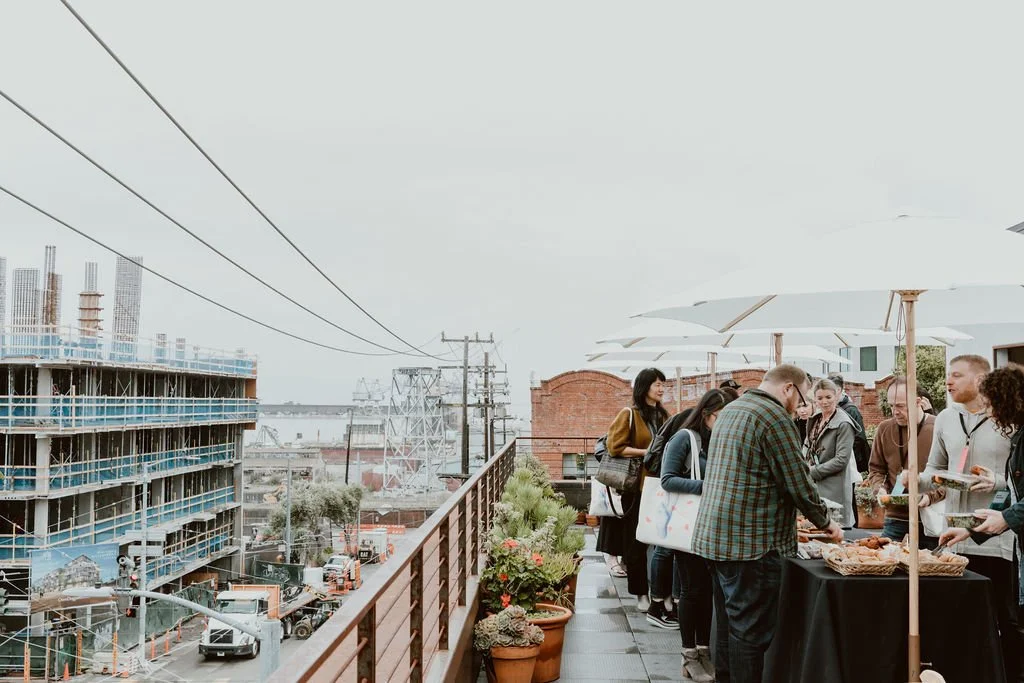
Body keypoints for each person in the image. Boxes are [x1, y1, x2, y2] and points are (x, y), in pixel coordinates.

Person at [693, 364, 843, 683]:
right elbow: (798, 481)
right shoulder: (773, 416)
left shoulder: (733, 408)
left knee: (730, 626)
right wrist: (827, 523)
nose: (801, 408)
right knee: (749, 634)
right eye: (802, 399)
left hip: (714, 537)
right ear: (788, 388)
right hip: (750, 544)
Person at [916, 355, 1017, 682]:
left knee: (1005, 619)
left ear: (980, 380)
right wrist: (918, 484)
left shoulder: (1009, 417)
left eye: (956, 375)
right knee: (956, 617)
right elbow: (935, 470)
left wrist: (997, 482)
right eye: (948, 375)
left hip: (1000, 532)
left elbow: (1018, 479)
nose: (948, 381)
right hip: (956, 531)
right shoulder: (945, 418)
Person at [939, 366, 1024, 677]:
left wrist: (1004, 517)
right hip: (1007, 538)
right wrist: (970, 530)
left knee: (1011, 618)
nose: (989, 413)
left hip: (1010, 546)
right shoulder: (1018, 438)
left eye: (991, 405)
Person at [660, 388, 735, 682]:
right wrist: (707, 486)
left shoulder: (718, 439)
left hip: (710, 525)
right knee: (691, 590)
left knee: (706, 592)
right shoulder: (684, 438)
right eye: (723, 416)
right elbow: (667, 479)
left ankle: (704, 652)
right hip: (687, 525)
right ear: (708, 414)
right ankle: (689, 654)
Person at [605, 367, 669, 610]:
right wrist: (647, 452)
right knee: (636, 541)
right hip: (636, 486)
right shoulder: (629, 414)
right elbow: (615, 447)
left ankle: (660, 593)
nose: (662, 389)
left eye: (663, 384)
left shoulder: (662, 416)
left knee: (661, 540)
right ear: (645, 387)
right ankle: (641, 592)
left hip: (659, 485)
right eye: (657, 385)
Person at [865, 378, 938, 544]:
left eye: (900, 406)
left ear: (918, 402)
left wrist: (931, 496)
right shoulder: (884, 428)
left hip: (931, 516)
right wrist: (879, 489)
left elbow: (950, 472)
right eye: (891, 405)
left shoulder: (938, 427)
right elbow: (876, 469)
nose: (894, 411)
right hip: (895, 517)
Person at [803, 377, 858, 527]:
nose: (824, 401)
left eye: (828, 397)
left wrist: (811, 471)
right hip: (814, 488)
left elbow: (841, 460)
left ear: (837, 396)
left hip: (835, 489)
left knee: (834, 534)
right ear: (814, 399)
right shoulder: (814, 420)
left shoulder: (844, 424)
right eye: (820, 398)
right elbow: (806, 448)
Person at [827, 372, 870, 471]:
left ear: (839, 390)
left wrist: (844, 456)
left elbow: (860, 437)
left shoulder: (851, 410)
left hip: (849, 463)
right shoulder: (831, 408)